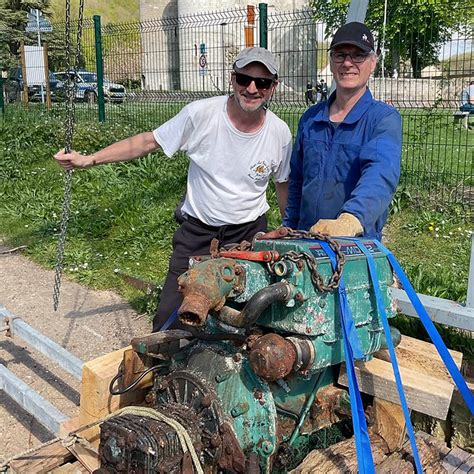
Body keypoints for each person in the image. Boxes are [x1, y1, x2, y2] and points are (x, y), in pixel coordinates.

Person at [54, 46, 292, 332]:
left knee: (246, 324)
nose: (252, 88)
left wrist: (287, 233)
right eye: (244, 79)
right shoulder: (201, 115)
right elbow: (148, 141)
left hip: (248, 235)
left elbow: (282, 185)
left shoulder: (279, 133)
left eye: (262, 82)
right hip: (198, 234)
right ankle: (163, 370)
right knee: (171, 321)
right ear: (233, 79)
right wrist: (89, 159)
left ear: (273, 88)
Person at [283, 22, 402, 240]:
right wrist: (288, 229)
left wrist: (351, 220)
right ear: (330, 61)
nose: (347, 63)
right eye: (340, 55)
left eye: (358, 55)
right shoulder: (311, 119)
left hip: (355, 245)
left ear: (373, 61)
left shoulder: (382, 119)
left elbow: (381, 174)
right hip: (306, 241)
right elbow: (297, 182)